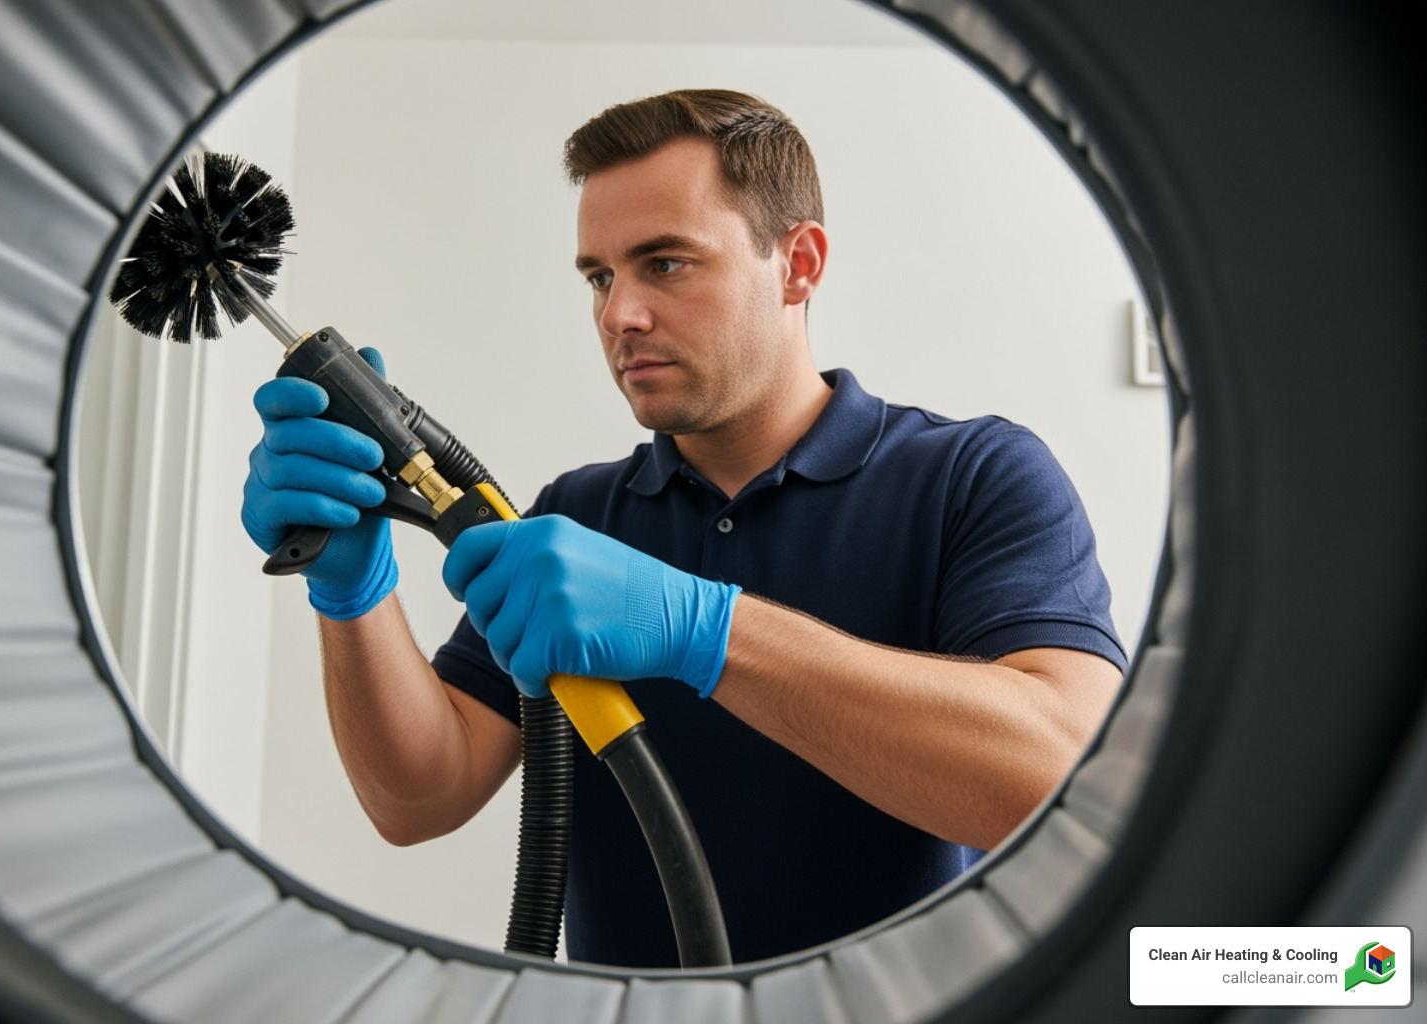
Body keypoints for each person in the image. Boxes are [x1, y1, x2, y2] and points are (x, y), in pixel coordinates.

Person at [240, 89, 1126, 968]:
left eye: (663, 263)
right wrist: (354, 591)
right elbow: (418, 798)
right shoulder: (576, 516)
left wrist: (707, 629)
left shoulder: (974, 479)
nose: (618, 314)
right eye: (599, 276)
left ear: (799, 264)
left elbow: (1065, 776)